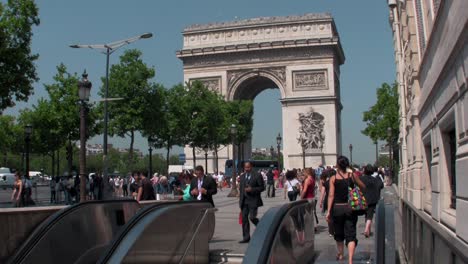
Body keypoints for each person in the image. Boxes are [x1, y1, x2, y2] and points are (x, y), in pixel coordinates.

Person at [326, 156, 367, 263]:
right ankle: (350, 260)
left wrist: (329, 211)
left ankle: (340, 255)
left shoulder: (333, 178)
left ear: (338, 165)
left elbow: (331, 195)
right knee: (351, 234)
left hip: (338, 208)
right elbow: (363, 186)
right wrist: (355, 190)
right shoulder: (352, 175)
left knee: (339, 233)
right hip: (350, 208)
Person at [238, 161, 265, 243]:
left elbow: (262, 187)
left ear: (251, 167)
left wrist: (252, 189)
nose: (247, 169)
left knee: (252, 217)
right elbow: (241, 188)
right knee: (244, 219)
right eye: (246, 167)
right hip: (244, 201)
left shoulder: (257, 175)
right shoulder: (242, 177)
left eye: (248, 167)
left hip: (253, 200)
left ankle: (261, 227)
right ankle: (246, 237)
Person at [360, 165, 384, 237]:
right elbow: (381, 186)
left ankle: (368, 229)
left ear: (365, 171)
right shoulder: (375, 179)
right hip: (372, 199)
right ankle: (367, 229)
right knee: (369, 215)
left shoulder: (361, 178)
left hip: (363, 198)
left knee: (366, 215)